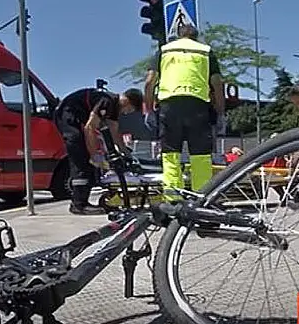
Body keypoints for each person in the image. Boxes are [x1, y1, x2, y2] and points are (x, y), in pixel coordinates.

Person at [144, 24, 226, 202]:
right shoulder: (205, 51)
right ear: (196, 37)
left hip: (169, 106)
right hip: (197, 106)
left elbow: (150, 81)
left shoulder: (164, 50)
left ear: (178, 36)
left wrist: (149, 110)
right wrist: (220, 112)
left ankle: (173, 203)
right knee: (201, 156)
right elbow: (218, 83)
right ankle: (202, 201)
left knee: (170, 155)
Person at [53, 86, 144, 215]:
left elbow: (114, 132)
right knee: (82, 158)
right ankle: (79, 205)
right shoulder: (107, 101)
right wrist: (95, 155)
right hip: (67, 115)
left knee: (88, 159)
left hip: (74, 116)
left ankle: (82, 202)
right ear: (128, 101)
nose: (127, 113)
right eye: (130, 110)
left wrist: (125, 152)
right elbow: (90, 128)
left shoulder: (114, 108)